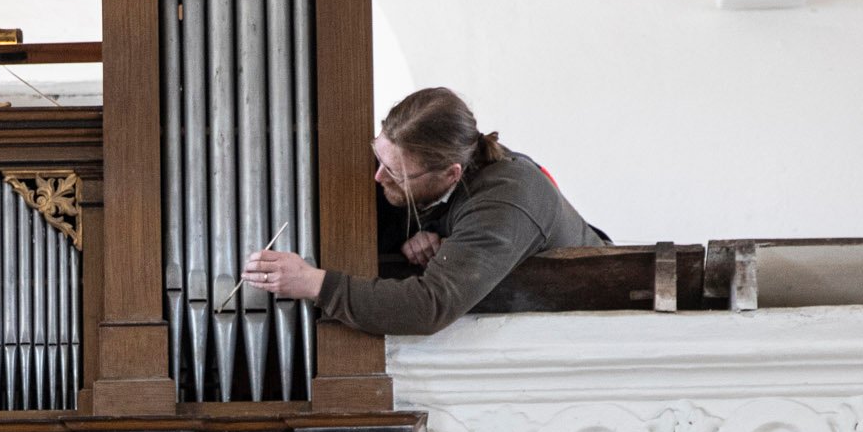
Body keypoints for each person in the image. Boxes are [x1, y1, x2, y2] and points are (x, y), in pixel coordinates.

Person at [240, 88, 603, 334]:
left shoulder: (509, 198)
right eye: (379, 156)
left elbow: (430, 307)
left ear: (450, 174)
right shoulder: (418, 171)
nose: (377, 177)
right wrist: (434, 232)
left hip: (582, 330)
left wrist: (314, 284)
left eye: (395, 173)